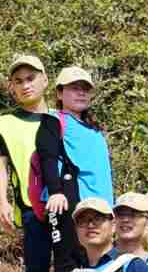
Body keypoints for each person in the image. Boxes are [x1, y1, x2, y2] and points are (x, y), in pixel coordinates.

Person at [0, 54, 71, 272]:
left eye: (31, 78)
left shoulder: (65, 118)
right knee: (36, 271)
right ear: (11, 87)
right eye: (18, 81)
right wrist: (2, 202)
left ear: (45, 80)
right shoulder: (6, 123)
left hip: (70, 207)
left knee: (70, 268)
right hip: (32, 208)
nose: (26, 85)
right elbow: (1, 164)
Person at [49, 65, 115, 218]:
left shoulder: (94, 130)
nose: (81, 93)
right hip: (75, 209)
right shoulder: (54, 120)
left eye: (85, 89)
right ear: (59, 93)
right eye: (74, 88)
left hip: (103, 209)